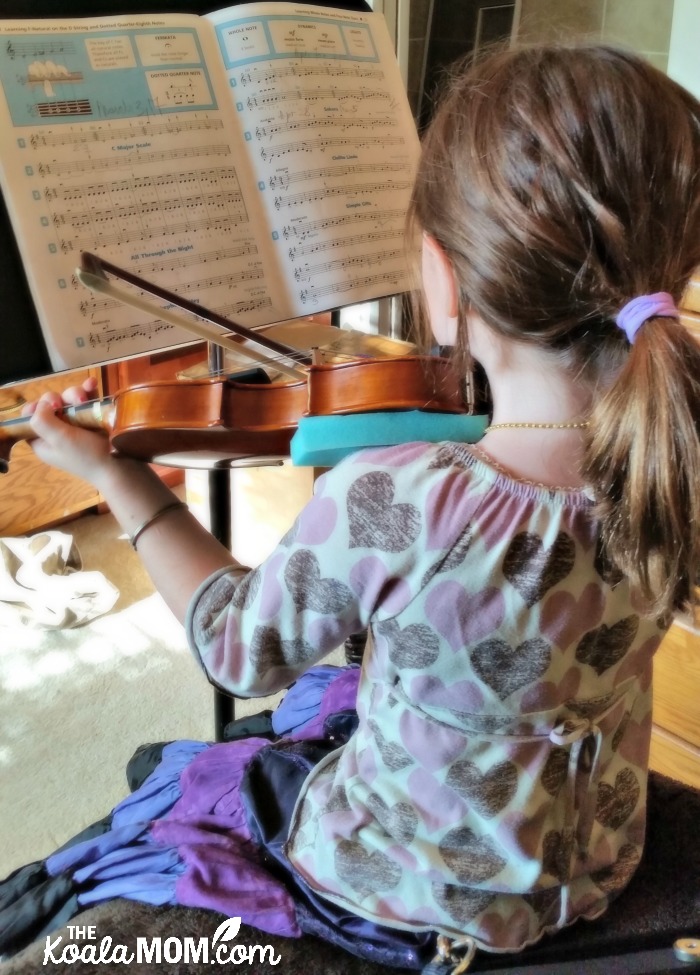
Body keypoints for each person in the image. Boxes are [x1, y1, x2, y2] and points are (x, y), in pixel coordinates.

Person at [3, 40, 700, 970]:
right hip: (595, 859)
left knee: (203, 786)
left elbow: (238, 649)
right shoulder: (675, 457)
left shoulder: (396, 496)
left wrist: (124, 481)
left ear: (444, 282)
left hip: (400, 887)